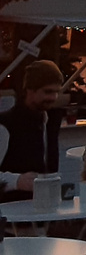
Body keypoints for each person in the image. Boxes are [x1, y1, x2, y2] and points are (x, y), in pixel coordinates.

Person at [0, 60, 66, 201]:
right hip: (11, 214)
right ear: (30, 89)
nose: (53, 97)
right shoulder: (6, 125)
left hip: (43, 210)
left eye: (56, 92)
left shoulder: (49, 122)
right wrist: (16, 181)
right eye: (47, 91)